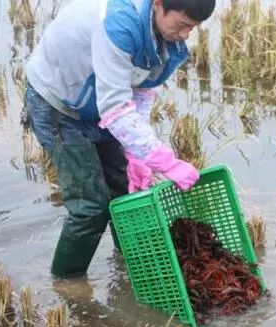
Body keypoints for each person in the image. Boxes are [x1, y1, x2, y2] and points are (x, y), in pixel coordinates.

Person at [24, 0, 216, 278]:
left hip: (100, 101)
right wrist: (165, 162)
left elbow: (140, 92)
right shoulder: (118, 24)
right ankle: (68, 284)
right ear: (159, 5)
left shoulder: (164, 38)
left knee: (126, 190)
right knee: (90, 206)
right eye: (183, 24)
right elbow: (115, 108)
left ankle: (132, 269)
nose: (186, 34)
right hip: (58, 103)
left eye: (193, 28)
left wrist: (137, 155)